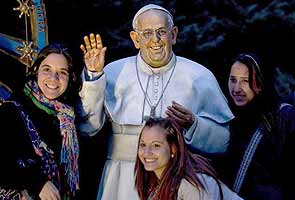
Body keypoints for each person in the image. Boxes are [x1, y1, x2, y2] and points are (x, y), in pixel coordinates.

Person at [76, 4, 234, 200]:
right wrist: (93, 77)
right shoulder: (113, 72)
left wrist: (194, 125)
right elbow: (87, 128)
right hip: (121, 180)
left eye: (161, 32)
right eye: (147, 33)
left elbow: (223, 142)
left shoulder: (200, 76)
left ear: (173, 34)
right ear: (135, 39)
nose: (155, 40)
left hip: (175, 180)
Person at [0, 43, 80, 199]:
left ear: (70, 78)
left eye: (62, 72)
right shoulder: (12, 110)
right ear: (36, 70)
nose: (53, 78)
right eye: (47, 69)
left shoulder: (67, 118)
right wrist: (38, 183)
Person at [219, 53, 295, 199]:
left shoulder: (285, 117)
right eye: (233, 80)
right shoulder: (229, 117)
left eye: (245, 81)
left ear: (261, 82)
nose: (236, 89)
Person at [135, 117, 243, 200]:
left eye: (156, 145)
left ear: (173, 148)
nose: (146, 152)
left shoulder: (192, 184)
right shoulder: (155, 182)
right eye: (143, 145)